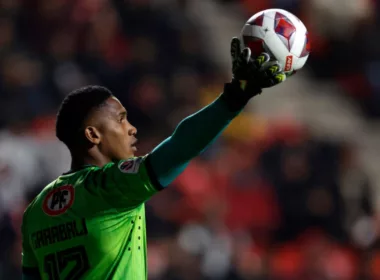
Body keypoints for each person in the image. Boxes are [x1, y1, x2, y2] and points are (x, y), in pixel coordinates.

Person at [21, 38, 286, 280]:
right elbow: (179, 148)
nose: (132, 128)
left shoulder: (36, 210)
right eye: (121, 120)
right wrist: (234, 98)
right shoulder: (111, 187)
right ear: (93, 134)